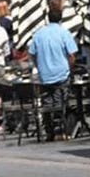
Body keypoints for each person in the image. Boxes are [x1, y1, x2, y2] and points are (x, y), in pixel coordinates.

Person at [29, 8, 78, 141]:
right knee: (60, 103)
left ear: (48, 18)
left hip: (45, 75)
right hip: (62, 74)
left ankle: (50, 131)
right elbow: (72, 54)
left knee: (47, 103)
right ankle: (61, 130)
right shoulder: (64, 33)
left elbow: (32, 53)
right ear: (60, 18)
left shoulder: (39, 34)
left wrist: (39, 66)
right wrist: (70, 68)